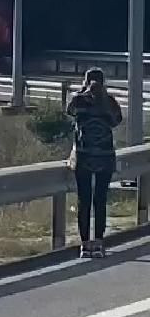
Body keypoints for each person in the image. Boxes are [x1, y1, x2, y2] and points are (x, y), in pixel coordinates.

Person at [67, 68, 122, 259]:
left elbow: (69, 112)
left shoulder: (79, 99)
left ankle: (84, 245)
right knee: (100, 200)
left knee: (84, 200)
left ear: (86, 81)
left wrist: (82, 93)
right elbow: (117, 122)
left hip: (83, 156)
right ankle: (98, 243)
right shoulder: (110, 101)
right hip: (105, 156)